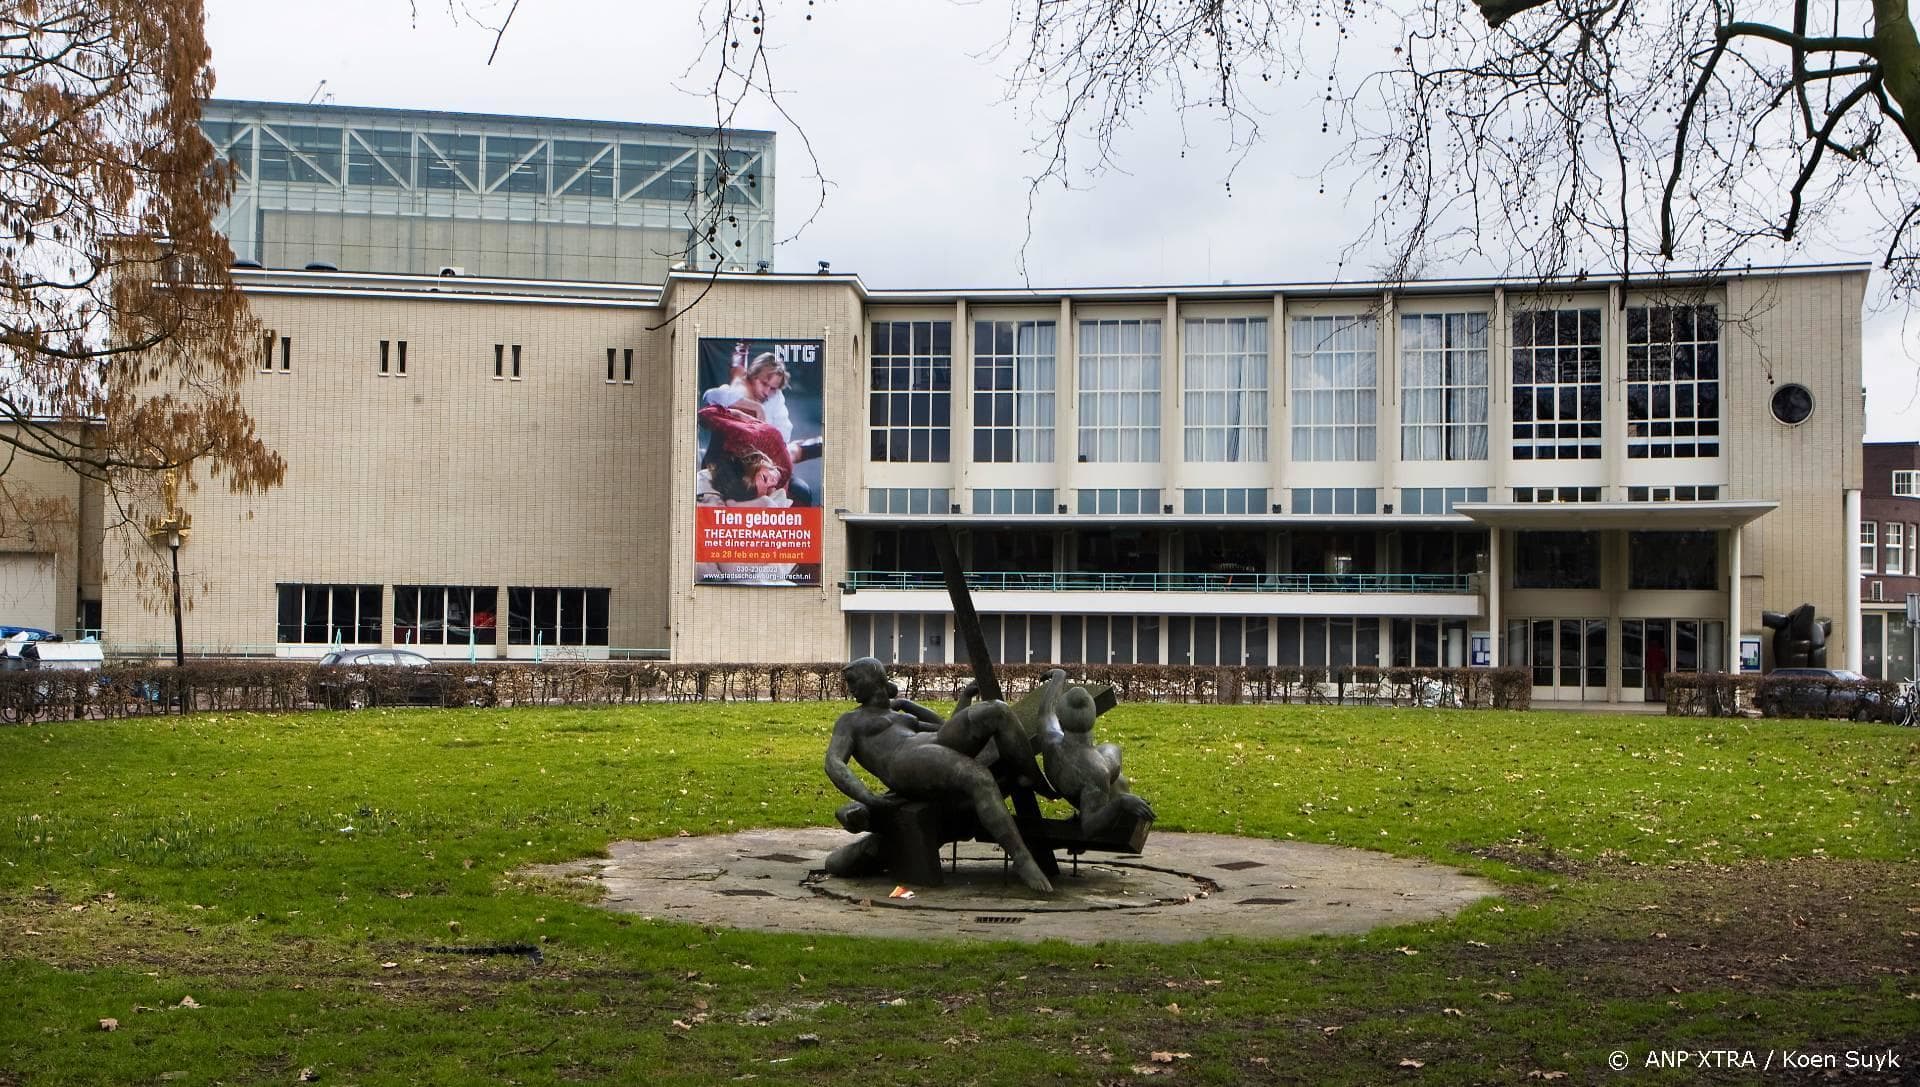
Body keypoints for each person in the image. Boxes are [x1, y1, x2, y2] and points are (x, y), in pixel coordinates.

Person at [824, 657, 1055, 893]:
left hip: (931, 746)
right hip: (904, 761)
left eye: (853, 680)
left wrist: (920, 702)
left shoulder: (903, 717)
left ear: (874, 679)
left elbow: (944, 727)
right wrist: (868, 797)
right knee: (978, 777)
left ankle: (1032, 777)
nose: (849, 687)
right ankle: (1021, 857)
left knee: (997, 709)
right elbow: (834, 762)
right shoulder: (850, 720)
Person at [1031, 668, 1154, 837]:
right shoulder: (1096, 771)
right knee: (1113, 753)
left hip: (1067, 777)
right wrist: (1122, 802)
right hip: (1107, 807)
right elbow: (1089, 827)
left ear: (1061, 715)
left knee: (1109, 751)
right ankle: (1122, 788)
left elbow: (1046, 710)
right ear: (1092, 716)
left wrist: (1059, 677)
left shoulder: (1050, 739)